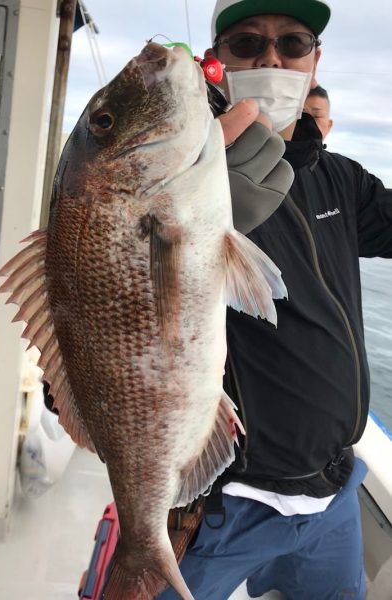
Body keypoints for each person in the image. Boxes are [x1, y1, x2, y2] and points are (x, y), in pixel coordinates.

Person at [159, 0, 392, 598]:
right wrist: (197, 218)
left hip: (333, 493)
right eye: (246, 43)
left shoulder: (342, 179)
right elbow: (99, 314)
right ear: (217, 61)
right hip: (217, 504)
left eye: (292, 43)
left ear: (314, 63)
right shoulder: (172, 173)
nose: (271, 56)